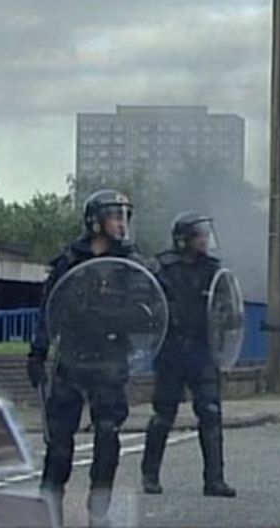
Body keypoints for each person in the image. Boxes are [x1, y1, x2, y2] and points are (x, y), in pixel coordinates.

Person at [27, 189, 153, 527]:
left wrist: (114, 317)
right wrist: (38, 351)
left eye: (124, 216)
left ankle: (99, 513)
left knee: (108, 439)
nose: (121, 224)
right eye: (114, 216)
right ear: (95, 221)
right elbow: (48, 308)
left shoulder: (131, 265)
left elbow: (149, 310)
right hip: (71, 360)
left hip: (111, 361)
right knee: (59, 445)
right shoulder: (69, 261)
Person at [140, 212, 237, 498]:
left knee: (211, 412)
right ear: (183, 238)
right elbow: (148, 304)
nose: (204, 240)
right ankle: (150, 474)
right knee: (164, 414)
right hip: (171, 349)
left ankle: (215, 479)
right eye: (198, 235)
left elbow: (225, 306)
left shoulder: (213, 269)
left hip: (202, 350)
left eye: (205, 234)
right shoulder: (162, 267)